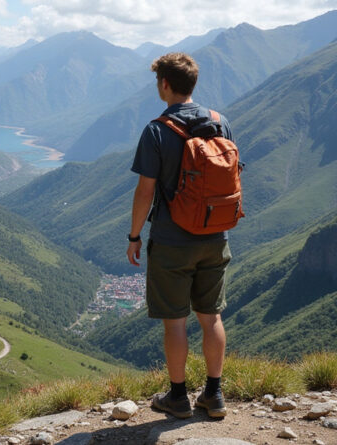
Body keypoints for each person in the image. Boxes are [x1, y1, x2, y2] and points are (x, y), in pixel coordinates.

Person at [126, 52, 234, 419]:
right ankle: (215, 395)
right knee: (211, 317)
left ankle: (177, 397)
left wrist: (134, 235)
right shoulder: (221, 122)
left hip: (172, 242)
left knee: (175, 322)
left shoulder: (157, 130)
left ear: (165, 84)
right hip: (215, 236)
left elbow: (145, 191)